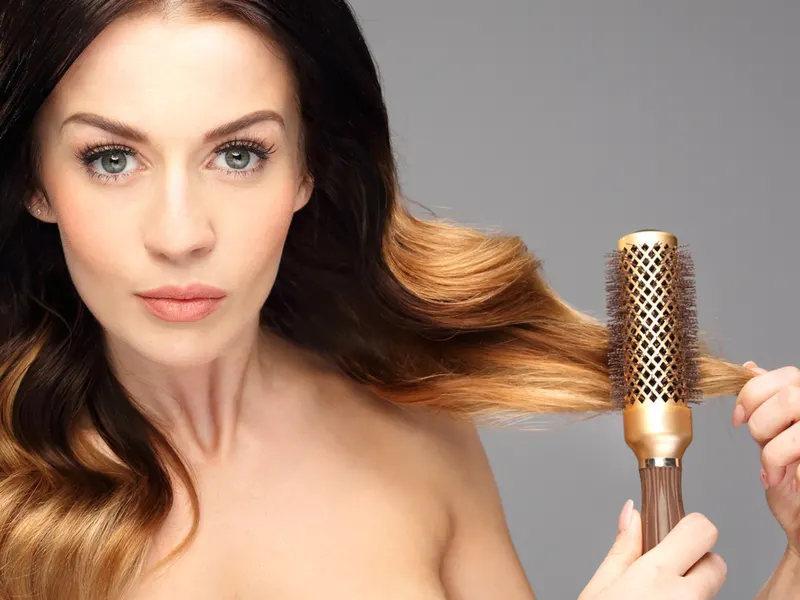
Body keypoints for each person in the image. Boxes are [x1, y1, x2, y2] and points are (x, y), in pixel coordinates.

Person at [0, 1, 797, 598]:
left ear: (308, 170)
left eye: (238, 153)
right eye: (111, 158)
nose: (179, 234)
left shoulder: (417, 431)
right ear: (34, 180)